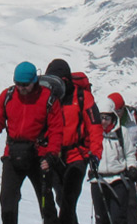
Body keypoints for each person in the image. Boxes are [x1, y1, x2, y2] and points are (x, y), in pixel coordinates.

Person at [0, 61, 63, 224]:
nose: (21, 88)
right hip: (12, 155)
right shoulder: (8, 96)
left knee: (47, 205)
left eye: (25, 85)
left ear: (34, 81)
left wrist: (51, 155)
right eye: (18, 84)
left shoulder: (48, 99)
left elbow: (57, 130)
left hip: (40, 158)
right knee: (7, 202)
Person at [44, 59, 101, 224]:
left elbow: (95, 127)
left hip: (77, 156)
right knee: (61, 199)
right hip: (53, 157)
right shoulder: (48, 98)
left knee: (68, 200)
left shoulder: (83, 97)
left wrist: (95, 154)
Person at [87, 97, 137, 224]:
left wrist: (132, 167)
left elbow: (130, 153)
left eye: (107, 118)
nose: (104, 121)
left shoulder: (122, 133)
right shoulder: (92, 134)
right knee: (101, 218)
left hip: (118, 180)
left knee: (118, 218)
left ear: (113, 117)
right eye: (101, 118)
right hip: (98, 180)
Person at [105, 92, 137, 202]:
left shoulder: (136, 121)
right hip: (115, 168)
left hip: (136, 166)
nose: (117, 113)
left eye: (119, 110)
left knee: (134, 200)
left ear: (123, 107)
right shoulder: (105, 123)